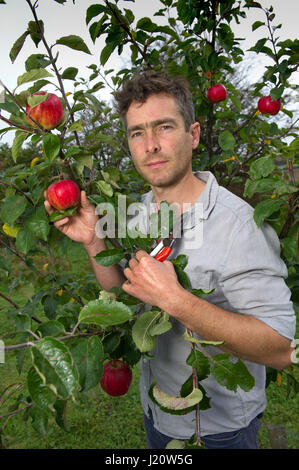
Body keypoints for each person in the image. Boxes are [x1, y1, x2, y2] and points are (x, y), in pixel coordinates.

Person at [44, 70, 296, 449]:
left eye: (164, 127)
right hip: (156, 414)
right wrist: (94, 239)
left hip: (218, 433)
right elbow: (127, 298)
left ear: (193, 135)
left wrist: (177, 300)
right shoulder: (140, 213)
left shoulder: (239, 225)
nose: (151, 145)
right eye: (137, 133)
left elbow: (282, 348)